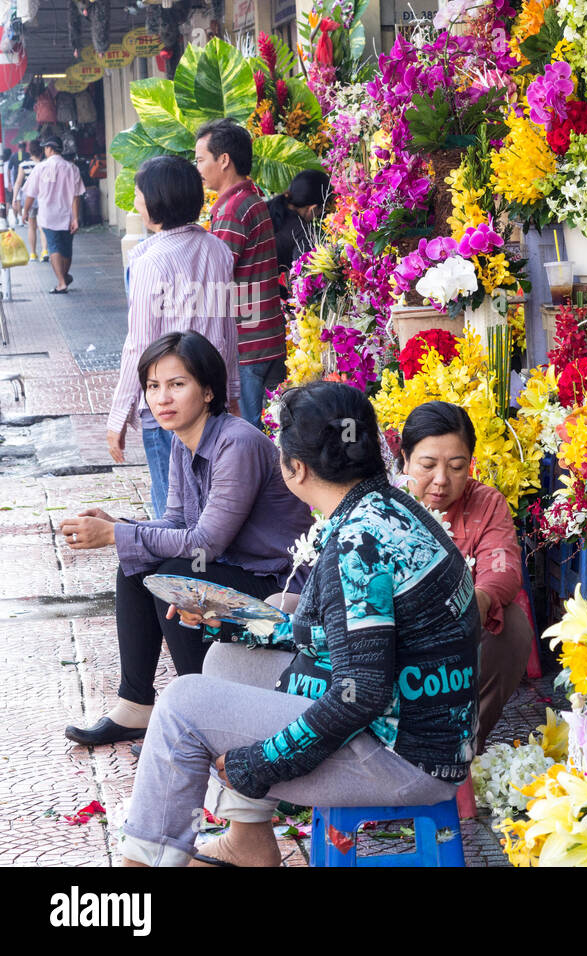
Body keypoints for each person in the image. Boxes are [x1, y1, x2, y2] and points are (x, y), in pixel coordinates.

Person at [119, 381, 480, 867]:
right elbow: (343, 640)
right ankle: (247, 840)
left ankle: (141, 866)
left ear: (297, 469)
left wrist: (260, 763)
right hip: (421, 731)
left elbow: (363, 692)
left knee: (183, 705)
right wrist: (229, 619)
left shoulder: (357, 546)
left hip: (406, 758)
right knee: (227, 658)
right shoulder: (390, 507)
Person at [59, 331, 313, 747]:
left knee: (175, 574)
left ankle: (203, 712)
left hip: (279, 586)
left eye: (177, 385)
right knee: (136, 565)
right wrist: (119, 524)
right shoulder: (184, 440)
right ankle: (136, 705)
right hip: (235, 567)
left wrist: (117, 533)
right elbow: (177, 521)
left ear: (208, 390)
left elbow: (204, 543)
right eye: (153, 387)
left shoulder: (237, 442)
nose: (163, 399)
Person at [109, 156, 242, 520]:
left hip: (167, 400)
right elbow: (226, 330)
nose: (136, 201)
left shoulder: (151, 261)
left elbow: (139, 341)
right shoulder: (217, 249)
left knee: (173, 509)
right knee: (209, 500)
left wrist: (119, 413)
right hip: (208, 398)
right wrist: (230, 395)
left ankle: (177, 572)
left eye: (138, 194)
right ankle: (205, 571)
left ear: (156, 200)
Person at [401, 401, 533, 752]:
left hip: (459, 634)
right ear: (405, 459)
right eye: (428, 465)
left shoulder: (485, 503)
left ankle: (462, 745)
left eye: (456, 466)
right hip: (390, 640)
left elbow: (501, 567)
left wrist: (478, 599)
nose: (441, 480)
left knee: (513, 626)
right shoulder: (385, 503)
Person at [194, 118, 285, 427]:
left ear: (224, 160)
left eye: (201, 160)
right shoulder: (250, 200)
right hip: (266, 337)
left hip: (248, 345)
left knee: (247, 434)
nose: (199, 168)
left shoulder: (233, 208)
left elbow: (217, 277)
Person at [22, 137, 84, 293]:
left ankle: (61, 282)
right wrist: (75, 218)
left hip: (48, 216)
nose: (44, 151)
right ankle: (64, 276)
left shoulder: (40, 168)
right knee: (66, 248)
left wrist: (25, 211)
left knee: (54, 247)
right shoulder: (72, 168)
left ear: (49, 148)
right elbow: (76, 196)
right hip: (68, 216)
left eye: (45, 148)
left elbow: (30, 194)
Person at [267, 169, 330, 276]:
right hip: (259, 290)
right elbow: (302, 277)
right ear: (313, 208)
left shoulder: (265, 207)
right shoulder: (301, 232)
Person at [14, 142, 48, 262]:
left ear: (30, 151)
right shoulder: (45, 164)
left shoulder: (23, 165)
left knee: (32, 227)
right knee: (43, 225)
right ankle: (45, 251)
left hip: (30, 198)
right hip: (44, 197)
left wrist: (14, 199)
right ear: (42, 151)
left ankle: (33, 254)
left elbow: (18, 183)